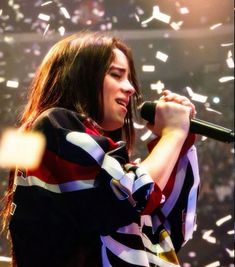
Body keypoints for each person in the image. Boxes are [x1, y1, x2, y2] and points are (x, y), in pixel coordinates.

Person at [2, 31, 200, 267]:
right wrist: (173, 133)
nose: (130, 89)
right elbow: (132, 195)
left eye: (129, 79)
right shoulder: (55, 127)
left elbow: (169, 230)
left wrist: (177, 140)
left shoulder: (104, 167)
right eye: (116, 75)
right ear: (79, 75)